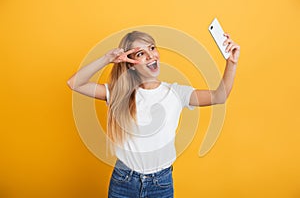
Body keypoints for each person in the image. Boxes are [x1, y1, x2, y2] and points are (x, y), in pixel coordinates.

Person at [67, 31, 240, 198]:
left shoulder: (176, 93)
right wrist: (108, 59)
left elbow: (220, 96)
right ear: (130, 64)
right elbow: (74, 83)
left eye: (152, 48)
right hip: (123, 181)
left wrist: (231, 63)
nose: (150, 55)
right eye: (141, 53)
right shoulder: (119, 93)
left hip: (161, 184)